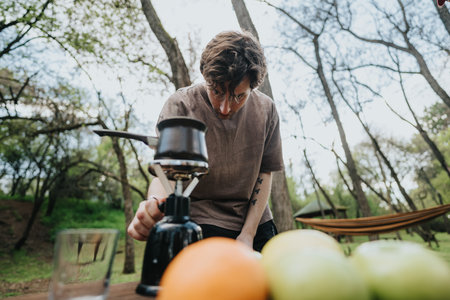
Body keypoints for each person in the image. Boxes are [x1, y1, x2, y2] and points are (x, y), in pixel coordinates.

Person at [127, 30, 284, 252]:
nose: (225, 108)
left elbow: (265, 173)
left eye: (239, 96)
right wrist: (152, 206)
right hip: (198, 222)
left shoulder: (267, 110)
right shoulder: (181, 105)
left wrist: (247, 235)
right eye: (217, 91)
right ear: (204, 76)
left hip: (254, 223)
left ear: (253, 87)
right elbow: (166, 174)